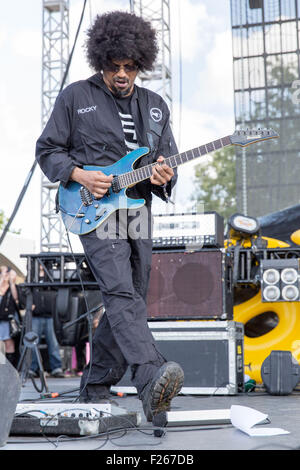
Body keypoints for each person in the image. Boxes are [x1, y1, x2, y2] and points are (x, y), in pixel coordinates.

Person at [35, 11, 184, 422]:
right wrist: (80, 174)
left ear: (141, 63)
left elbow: (167, 163)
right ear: (100, 61)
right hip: (94, 209)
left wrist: (164, 174)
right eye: (113, 66)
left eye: (129, 66)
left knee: (132, 298)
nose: (121, 74)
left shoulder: (156, 107)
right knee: (120, 292)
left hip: (137, 209)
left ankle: (95, 385)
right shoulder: (75, 97)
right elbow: (48, 151)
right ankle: (151, 377)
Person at [29, 266, 64, 378]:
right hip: (36, 315)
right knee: (33, 343)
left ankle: (56, 368)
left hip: (49, 315)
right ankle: (33, 368)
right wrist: (29, 304)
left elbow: (57, 290)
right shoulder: (31, 277)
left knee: (53, 342)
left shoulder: (51, 277)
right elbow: (25, 291)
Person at [0, 266, 22, 367]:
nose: (5, 275)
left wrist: (11, 282)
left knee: (9, 344)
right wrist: (2, 280)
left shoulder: (13, 287)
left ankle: (10, 369)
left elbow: (16, 298)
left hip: (7, 320)